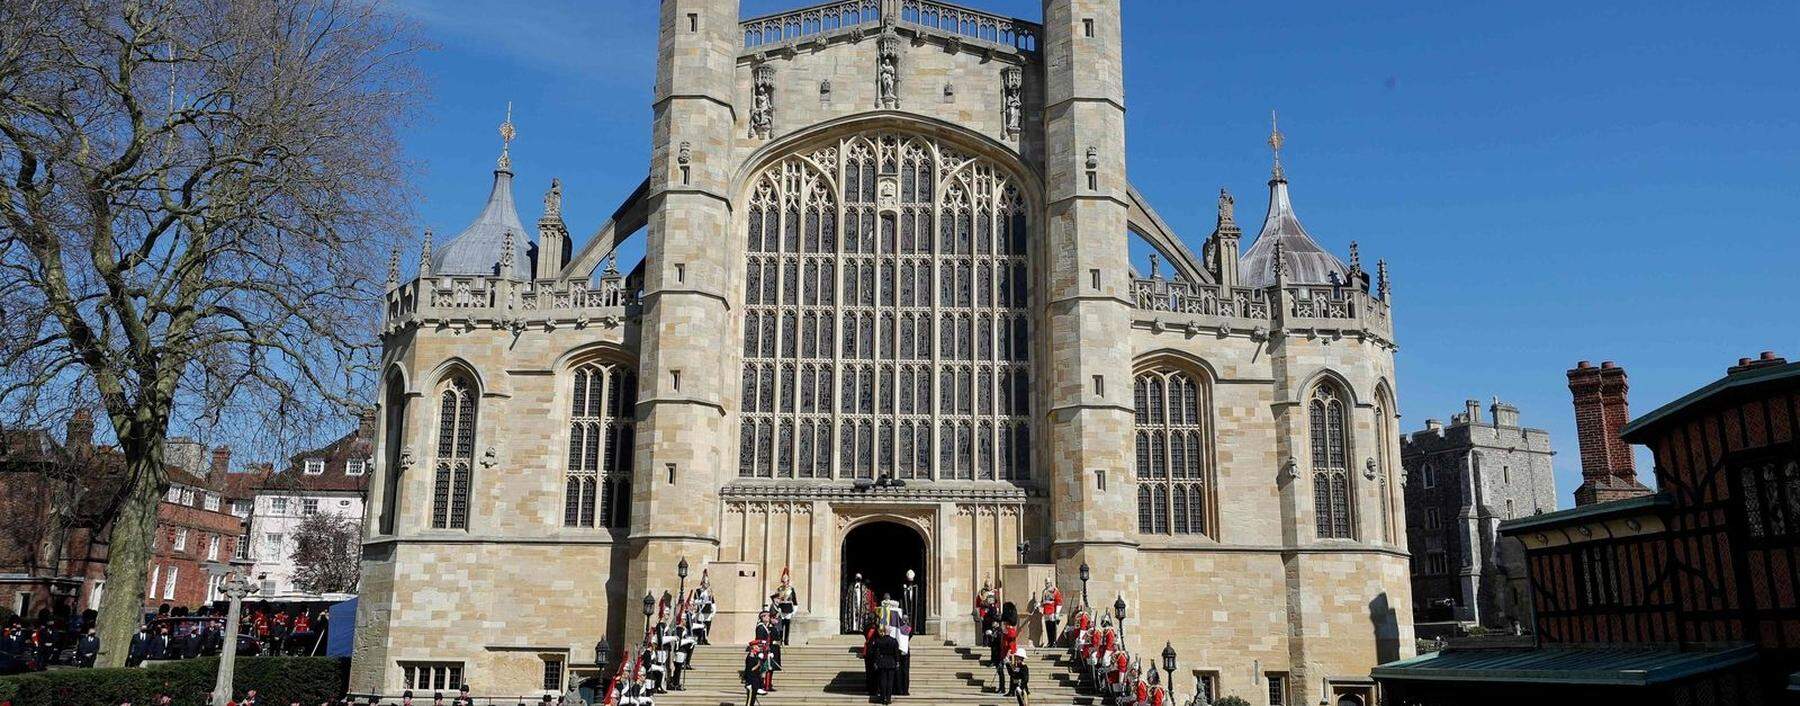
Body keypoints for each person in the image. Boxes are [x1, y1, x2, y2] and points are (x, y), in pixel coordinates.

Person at [868, 626, 901, 705]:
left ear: (884, 631)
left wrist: (876, 662)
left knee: (882, 681)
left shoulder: (879, 640)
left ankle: (883, 698)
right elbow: (896, 653)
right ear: (889, 632)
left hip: (882, 662)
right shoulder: (894, 641)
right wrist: (897, 661)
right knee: (890, 682)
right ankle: (888, 699)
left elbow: (876, 652)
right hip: (891, 662)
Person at [770, 568, 798, 645]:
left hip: (788, 609)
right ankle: (780, 639)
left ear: (788, 581)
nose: (784, 583)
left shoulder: (791, 589)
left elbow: (795, 601)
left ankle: (786, 640)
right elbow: (775, 600)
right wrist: (776, 609)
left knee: (787, 626)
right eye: (783, 581)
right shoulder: (779, 589)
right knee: (780, 627)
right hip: (781, 610)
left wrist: (794, 611)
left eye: (786, 581)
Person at [1038, 579, 1062, 647]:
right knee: (1048, 627)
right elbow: (1044, 602)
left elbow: (1059, 602)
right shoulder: (1044, 591)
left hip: (1052, 610)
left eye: (1048, 583)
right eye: (1045, 583)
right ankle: (1050, 642)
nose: (1046, 584)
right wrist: (1039, 604)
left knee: (1052, 627)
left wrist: (1057, 612)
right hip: (1046, 611)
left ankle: (1054, 642)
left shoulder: (1055, 591)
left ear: (1050, 583)